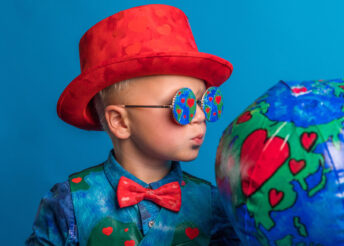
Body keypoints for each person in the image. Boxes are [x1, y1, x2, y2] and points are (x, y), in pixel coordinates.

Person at [26, 4, 240, 245]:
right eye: (184, 104)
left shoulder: (213, 206)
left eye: (206, 101)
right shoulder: (69, 204)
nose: (200, 115)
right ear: (119, 121)